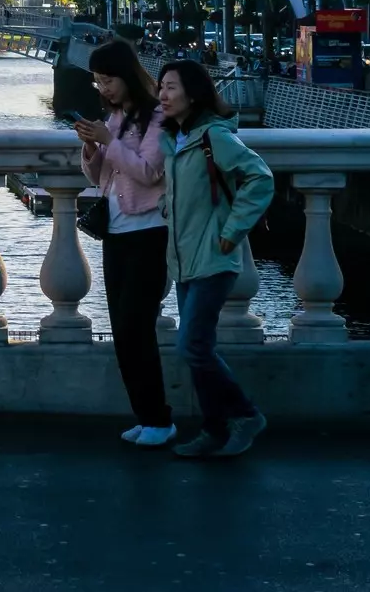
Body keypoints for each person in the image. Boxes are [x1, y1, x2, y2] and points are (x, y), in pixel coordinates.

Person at [157, 59, 274, 460]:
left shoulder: (214, 138)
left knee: (192, 347)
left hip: (213, 258)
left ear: (193, 92)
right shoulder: (177, 139)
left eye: (171, 87)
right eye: (161, 87)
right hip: (185, 260)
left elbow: (261, 178)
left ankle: (244, 415)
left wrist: (232, 231)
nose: (163, 95)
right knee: (197, 348)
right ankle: (213, 427)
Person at [72, 39, 173, 449]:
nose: (103, 89)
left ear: (127, 75)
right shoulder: (116, 119)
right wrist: (92, 147)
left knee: (138, 326)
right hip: (116, 232)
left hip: (148, 233)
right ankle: (145, 416)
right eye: (97, 82)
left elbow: (148, 172)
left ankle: (160, 420)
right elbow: (99, 178)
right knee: (123, 330)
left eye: (108, 80)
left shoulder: (160, 119)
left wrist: (109, 144)